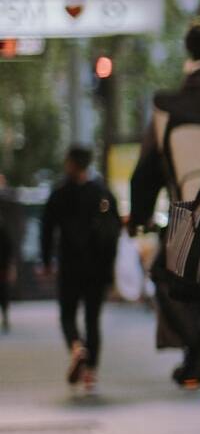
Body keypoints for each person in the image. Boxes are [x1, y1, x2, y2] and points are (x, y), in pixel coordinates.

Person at [130, 19, 200, 386]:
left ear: (190, 54)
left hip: (189, 227)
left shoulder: (167, 108)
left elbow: (146, 173)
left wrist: (139, 217)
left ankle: (195, 350)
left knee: (165, 275)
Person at [39, 146, 120, 394]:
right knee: (93, 319)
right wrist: (111, 268)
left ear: (70, 163)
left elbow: (47, 230)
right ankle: (91, 374)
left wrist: (46, 262)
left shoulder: (59, 193)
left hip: (70, 265)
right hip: (97, 268)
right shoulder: (102, 193)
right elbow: (114, 232)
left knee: (67, 314)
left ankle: (76, 347)